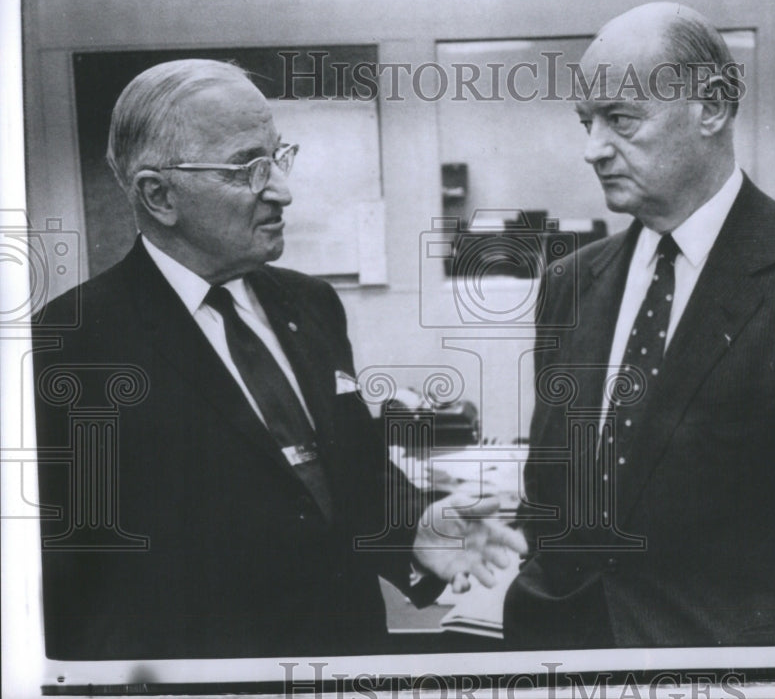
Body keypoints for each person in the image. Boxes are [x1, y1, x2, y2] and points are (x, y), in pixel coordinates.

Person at [32, 59, 525, 660]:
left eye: (278, 157)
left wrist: (413, 531)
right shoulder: (75, 342)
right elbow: (69, 580)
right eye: (246, 168)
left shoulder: (310, 304)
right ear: (158, 195)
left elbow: (346, 478)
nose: (282, 190)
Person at [504, 2, 775, 649]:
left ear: (713, 107)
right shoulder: (570, 282)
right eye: (587, 122)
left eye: (620, 119)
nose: (592, 150)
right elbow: (548, 483)